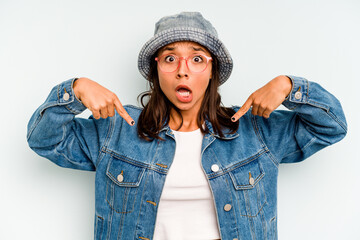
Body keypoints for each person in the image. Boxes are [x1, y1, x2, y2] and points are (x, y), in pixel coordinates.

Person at [27, 11, 347, 240]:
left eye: (197, 59)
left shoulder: (255, 130)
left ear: (212, 72)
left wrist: (290, 86)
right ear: (156, 73)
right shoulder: (116, 129)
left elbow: (331, 126)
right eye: (170, 58)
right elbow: (44, 141)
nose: (183, 70)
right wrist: (75, 89)